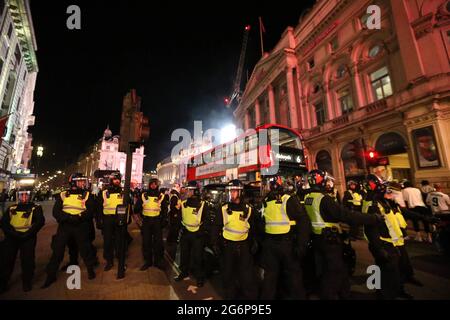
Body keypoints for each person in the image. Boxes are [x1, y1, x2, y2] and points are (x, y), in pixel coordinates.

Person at [304, 170, 380, 300]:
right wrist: (372, 218)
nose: (328, 183)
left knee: (335, 268)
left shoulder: (308, 197)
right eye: (326, 180)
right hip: (329, 241)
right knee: (333, 270)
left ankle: (344, 292)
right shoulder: (324, 199)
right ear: (321, 181)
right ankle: (330, 295)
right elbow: (345, 215)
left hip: (318, 239)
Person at [260, 176, 311, 300]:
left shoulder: (267, 201)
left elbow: (303, 222)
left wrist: (301, 244)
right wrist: (301, 245)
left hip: (278, 244)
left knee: (274, 279)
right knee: (290, 278)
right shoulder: (285, 199)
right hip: (283, 245)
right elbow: (303, 222)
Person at [363, 174, 414, 299]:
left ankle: (391, 290)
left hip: (392, 240)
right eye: (383, 188)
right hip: (383, 242)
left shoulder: (380, 201)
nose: (387, 191)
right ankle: (385, 292)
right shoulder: (373, 204)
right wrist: (379, 247)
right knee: (388, 270)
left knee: (391, 269)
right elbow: (372, 228)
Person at [42, 173, 96, 288]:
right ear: (74, 182)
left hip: (80, 226)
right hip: (65, 226)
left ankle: (90, 269)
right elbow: (56, 212)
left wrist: (79, 217)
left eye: (83, 181)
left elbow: (91, 211)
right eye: (80, 181)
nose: (83, 183)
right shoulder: (63, 195)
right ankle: (51, 275)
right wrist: (68, 218)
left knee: (85, 249)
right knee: (58, 250)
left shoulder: (87, 195)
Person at [212, 179, 259, 300]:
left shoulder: (249, 209)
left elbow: (253, 227)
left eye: (234, 191)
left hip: (244, 246)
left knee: (247, 276)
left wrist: (254, 242)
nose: (231, 194)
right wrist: (215, 243)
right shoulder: (223, 209)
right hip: (228, 246)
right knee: (228, 275)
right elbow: (216, 227)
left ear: (241, 192)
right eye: (230, 191)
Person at [0, 183, 45, 293]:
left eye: (26, 195)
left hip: (28, 238)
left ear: (30, 196)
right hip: (12, 238)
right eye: (21, 195)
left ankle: (27, 282)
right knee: (7, 261)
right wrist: (12, 233)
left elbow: (39, 222)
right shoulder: (12, 208)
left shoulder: (36, 208)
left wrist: (27, 234)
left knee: (28, 261)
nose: (24, 197)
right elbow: (4, 223)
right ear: (18, 196)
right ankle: (3, 283)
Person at [96, 172, 132, 277]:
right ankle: (109, 261)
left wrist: (128, 219)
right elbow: (98, 208)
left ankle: (121, 261)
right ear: (111, 181)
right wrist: (99, 221)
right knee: (107, 242)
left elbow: (128, 206)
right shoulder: (103, 192)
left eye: (119, 180)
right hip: (107, 220)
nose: (117, 181)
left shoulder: (124, 192)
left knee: (120, 242)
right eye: (115, 179)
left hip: (119, 220)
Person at [174, 180, 210, 287]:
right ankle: (183, 272)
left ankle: (199, 277)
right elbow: (180, 217)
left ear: (195, 191)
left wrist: (201, 231)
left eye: (189, 190)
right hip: (186, 233)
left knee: (198, 257)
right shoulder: (184, 203)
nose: (187, 192)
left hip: (197, 235)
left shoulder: (203, 204)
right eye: (187, 190)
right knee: (184, 255)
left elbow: (206, 220)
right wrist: (181, 228)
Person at [134, 178, 165, 271]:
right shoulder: (144, 195)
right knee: (146, 242)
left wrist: (163, 221)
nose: (153, 185)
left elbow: (164, 210)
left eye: (155, 184)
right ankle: (148, 262)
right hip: (146, 222)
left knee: (158, 243)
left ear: (157, 185)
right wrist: (139, 210)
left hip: (157, 222)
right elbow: (136, 208)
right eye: (152, 184)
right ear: (149, 185)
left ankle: (158, 262)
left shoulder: (161, 196)